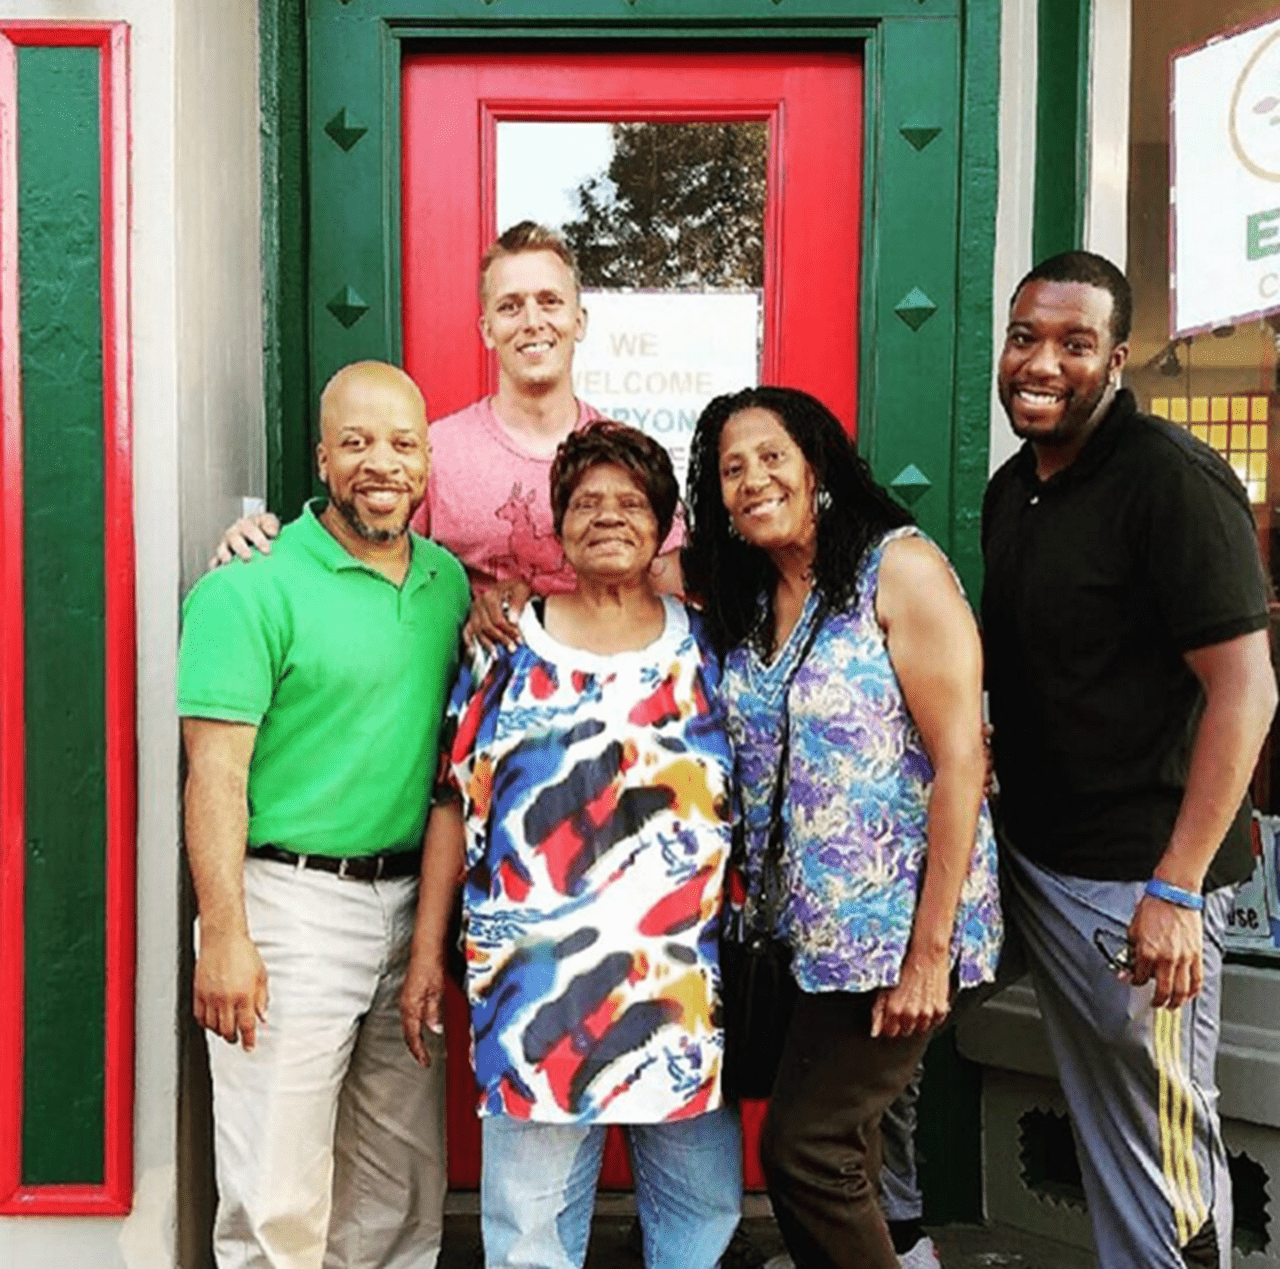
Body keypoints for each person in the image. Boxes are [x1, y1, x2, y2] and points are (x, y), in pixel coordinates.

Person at [981, 250, 1277, 1269]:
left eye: (1072, 343)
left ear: (1114, 359)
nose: (1041, 362)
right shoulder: (1013, 487)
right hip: (1026, 856)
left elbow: (1245, 691)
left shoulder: (1170, 482)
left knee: (1157, 1149)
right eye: (1025, 337)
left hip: (1134, 883)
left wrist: (1177, 887)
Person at [399, 421, 741, 1269]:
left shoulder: (709, 645)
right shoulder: (505, 646)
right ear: (558, 522)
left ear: (666, 524)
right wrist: (420, 957)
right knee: (529, 1233)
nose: (608, 516)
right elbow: (452, 799)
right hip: (537, 987)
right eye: (586, 501)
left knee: (699, 1213)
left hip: (680, 981)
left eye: (631, 502)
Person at [683, 386, 1003, 1269]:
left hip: (903, 932)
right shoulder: (750, 594)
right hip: (808, 936)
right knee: (845, 1151)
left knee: (806, 1150)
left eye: (772, 456)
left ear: (818, 464)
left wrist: (928, 955)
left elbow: (960, 763)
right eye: (730, 469)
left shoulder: (897, 570)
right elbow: (627, 570)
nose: (752, 480)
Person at [178, 361, 470, 1269]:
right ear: (321, 458)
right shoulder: (249, 586)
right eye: (356, 442)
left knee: (399, 1182)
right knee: (276, 1190)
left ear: (426, 462)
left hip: (409, 906)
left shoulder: (447, 583)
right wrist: (224, 930)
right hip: (287, 906)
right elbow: (214, 772)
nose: (380, 462)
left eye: (400, 443)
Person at [214, 222, 681, 643]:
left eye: (550, 301)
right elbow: (355, 550)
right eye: (510, 306)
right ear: (487, 329)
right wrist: (267, 543)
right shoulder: (435, 453)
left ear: (578, 321)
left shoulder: (628, 460)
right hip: (459, 710)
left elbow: (669, 592)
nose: (532, 321)